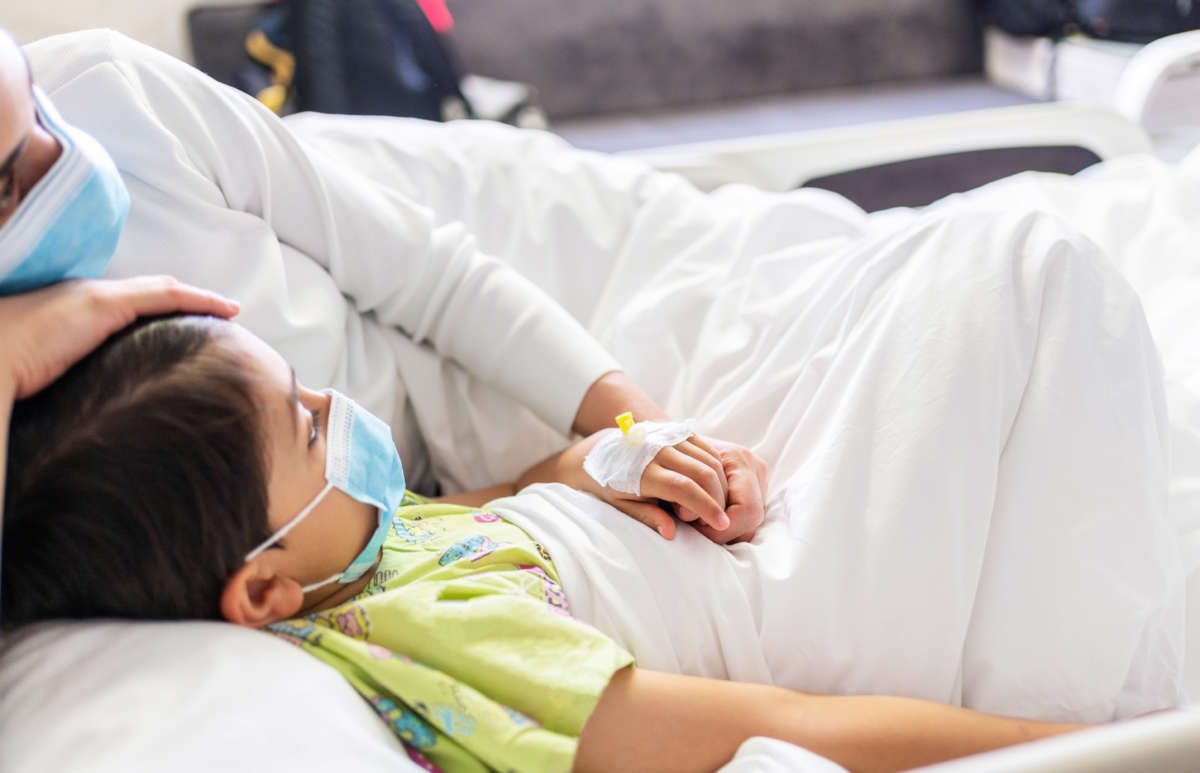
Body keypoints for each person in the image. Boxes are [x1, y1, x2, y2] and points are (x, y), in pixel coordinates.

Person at [0, 280, 1089, 773]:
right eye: (305, 420)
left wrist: (617, 459)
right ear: (262, 590)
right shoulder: (435, 638)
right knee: (1021, 281)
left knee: (984, 282)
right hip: (793, 604)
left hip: (703, 523)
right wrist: (1085, 754)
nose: (341, 408)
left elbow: (501, 506)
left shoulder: (361, 542)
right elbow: (779, 718)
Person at [0, 26, 768, 543]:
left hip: (427, 368)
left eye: (36, 104)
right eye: (8, 182)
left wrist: (647, 431)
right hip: (379, 517)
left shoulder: (109, 88)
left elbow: (432, 276)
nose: (66, 157)